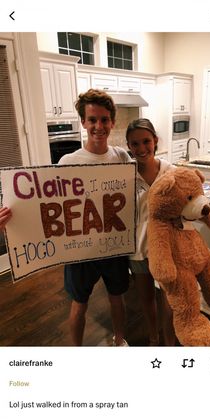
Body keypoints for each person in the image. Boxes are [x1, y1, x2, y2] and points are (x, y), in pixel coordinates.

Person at [59, 88, 132, 346]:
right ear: (83, 122)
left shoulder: (121, 157)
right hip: (81, 250)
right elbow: (48, 206)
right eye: (92, 120)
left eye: (104, 120)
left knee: (117, 297)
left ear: (112, 122)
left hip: (114, 245)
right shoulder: (68, 162)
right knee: (79, 303)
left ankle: (119, 340)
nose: (98, 126)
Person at [126, 118, 176, 346]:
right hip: (137, 249)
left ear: (155, 140)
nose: (141, 148)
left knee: (169, 298)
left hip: (166, 248)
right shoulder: (125, 174)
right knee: (146, 299)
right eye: (135, 144)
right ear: (129, 146)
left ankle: (169, 339)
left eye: (146, 141)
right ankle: (153, 336)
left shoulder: (170, 172)